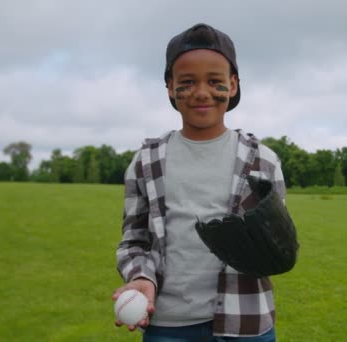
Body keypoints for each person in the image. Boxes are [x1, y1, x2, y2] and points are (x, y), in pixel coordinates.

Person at [112, 23, 288, 341]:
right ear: (169, 86)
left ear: (233, 85)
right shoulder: (146, 161)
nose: (202, 92)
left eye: (215, 81)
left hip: (246, 324)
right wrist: (140, 277)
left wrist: (276, 248)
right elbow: (133, 241)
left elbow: (274, 242)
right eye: (188, 82)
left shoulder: (264, 161)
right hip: (168, 325)